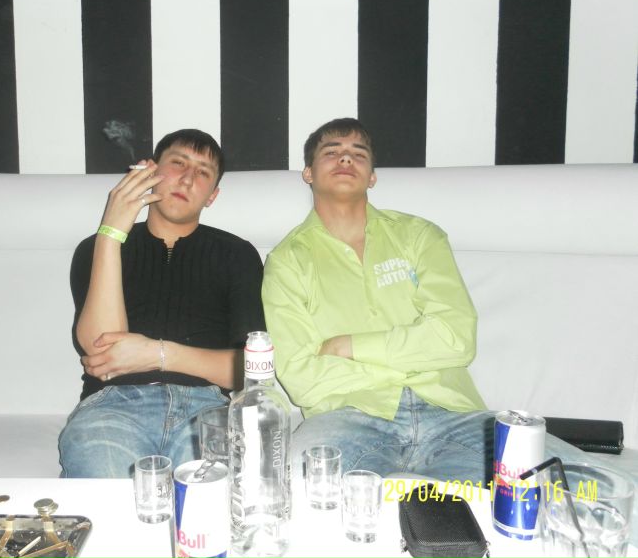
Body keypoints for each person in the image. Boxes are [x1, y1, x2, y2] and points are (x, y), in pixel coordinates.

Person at [262, 119, 638, 542]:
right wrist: (414, 355)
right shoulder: (287, 261)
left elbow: (457, 339)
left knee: (602, 492)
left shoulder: (418, 236)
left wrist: (350, 346)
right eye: (331, 151)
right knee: (288, 495)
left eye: (358, 153)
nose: (345, 158)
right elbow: (301, 377)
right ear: (308, 173)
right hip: (348, 419)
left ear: (373, 176)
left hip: (454, 417)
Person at [59, 129, 264, 478]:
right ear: (151, 171)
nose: (187, 178)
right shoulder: (95, 248)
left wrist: (158, 354)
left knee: (212, 504)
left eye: (202, 172)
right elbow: (100, 348)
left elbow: (249, 370)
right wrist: (111, 232)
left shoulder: (237, 255)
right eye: (178, 163)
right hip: (112, 407)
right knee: (112, 503)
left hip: (208, 410)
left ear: (212, 196)